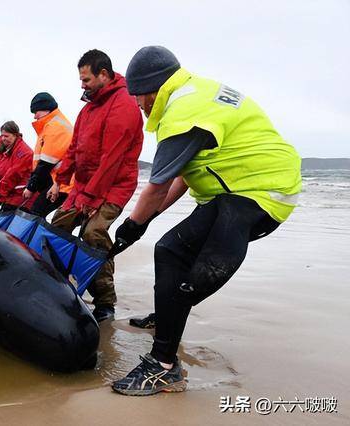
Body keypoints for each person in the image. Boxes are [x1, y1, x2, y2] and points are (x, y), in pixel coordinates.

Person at [110, 46, 302, 396]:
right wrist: (148, 220)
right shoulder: (195, 94)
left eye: (139, 96)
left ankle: (164, 366)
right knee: (169, 249)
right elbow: (182, 177)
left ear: (153, 88)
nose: (138, 104)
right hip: (235, 191)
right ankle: (168, 316)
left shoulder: (183, 112)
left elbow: (157, 185)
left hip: (258, 191)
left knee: (193, 272)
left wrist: (131, 226)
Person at [51, 49, 144, 322]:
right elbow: (74, 149)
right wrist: (60, 179)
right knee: (57, 226)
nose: (82, 85)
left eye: (86, 79)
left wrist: (91, 200)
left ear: (104, 74)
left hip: (115, 184)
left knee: (94, 234)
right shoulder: (88, 108)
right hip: (84, 185)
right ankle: (56, 283)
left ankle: (105, 302)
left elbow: (112, 158)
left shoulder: (124, 104)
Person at [22, 92, 74, 218]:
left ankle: (38, 238)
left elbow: (46, 164)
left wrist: (31, 188)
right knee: (39, 213)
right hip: (59, 181)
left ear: (45, 109)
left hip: (64, 183)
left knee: (36, 212)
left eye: (36, 112)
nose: (34, 116)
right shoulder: (53, 125)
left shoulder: (55, 128)